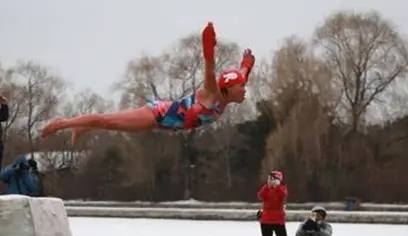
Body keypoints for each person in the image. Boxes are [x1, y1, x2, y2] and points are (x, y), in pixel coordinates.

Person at [40, 22, 256, 144]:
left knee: (110, 124)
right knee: (110, 122)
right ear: (228, 88)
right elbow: (209, 64)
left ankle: (81, 128)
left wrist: (246, 64)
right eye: (242, 87)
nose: (245, 90)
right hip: (158, 114)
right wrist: (208, 42)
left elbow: (243, 73)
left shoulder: (232, 90)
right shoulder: (212, 93)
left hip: (164, 125)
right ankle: (63, 122)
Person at [257, 171, 291, 236]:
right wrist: (267, 186)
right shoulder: (266, 188)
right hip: (265, 220)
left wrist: (277, 186)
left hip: (278, 220)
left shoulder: (282, 188)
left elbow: (283, 195)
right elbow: (260, 196)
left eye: (273, 179)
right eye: (269, 178)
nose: (271, 180)